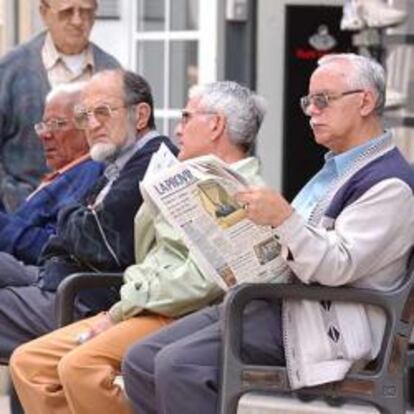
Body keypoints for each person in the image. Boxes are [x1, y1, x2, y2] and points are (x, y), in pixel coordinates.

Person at [112, 53, 414, 414]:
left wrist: (283, 218)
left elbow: (338, 265)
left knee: (179, 365)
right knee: (141, 359)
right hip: (279, 301)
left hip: (324, 323)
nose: (311, 111)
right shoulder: (339, 168)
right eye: (308, 101)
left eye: (323, 100)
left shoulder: (391, 183)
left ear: (365, 101)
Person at [10, 81, 267, 414]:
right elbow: (155, 255)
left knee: (81, 368)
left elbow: (202, 282)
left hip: (179, 313)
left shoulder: (240, 192)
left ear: (216, 124)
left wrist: (122, 309)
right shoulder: (190, 178)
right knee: (29, 362)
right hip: (143, 302)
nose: (177, 129)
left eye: (187, 117)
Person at [0, 68, 174, 365]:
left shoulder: (154, 161)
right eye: (85, 115)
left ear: (141, 115)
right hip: (59, 278)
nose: (92, 124)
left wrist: (70, 213)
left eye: (103, 112)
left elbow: (97, 240)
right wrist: (75, 217)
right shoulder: (117, 162)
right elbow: (73, 230)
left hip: (85, 298)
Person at [0, 0, 120, 212]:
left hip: (90, 220)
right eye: (67, 12)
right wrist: (13, 197)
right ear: (44, 13)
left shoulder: (113, 73)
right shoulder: (9, 71)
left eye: (86, 11)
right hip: (20, 217)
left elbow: (124, 147)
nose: (77, 20)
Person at [0, 82, 103, 265]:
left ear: (87, 126)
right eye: (43, 125)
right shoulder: (64, 173)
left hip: (41, 280)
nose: (44, 135)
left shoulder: (89, 173)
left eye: (57, 124)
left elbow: (53, 248)